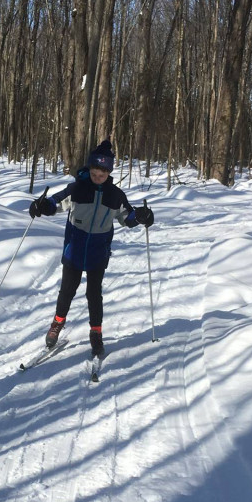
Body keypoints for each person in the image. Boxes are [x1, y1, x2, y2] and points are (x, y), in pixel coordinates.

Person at [29, 139, 154, 359]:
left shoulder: (115, 195)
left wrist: (141, 216)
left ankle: (96, 332)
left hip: (98, 251)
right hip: (74, 249)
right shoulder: (77, 188)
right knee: (67, 290)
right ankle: (57, 323)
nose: (98, 178)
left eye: (103, 175)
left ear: (109, 173)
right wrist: (42, 206)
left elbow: (127, 217)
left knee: (94, 294)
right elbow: (55, 202)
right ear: (90, 168)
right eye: (95, 173)